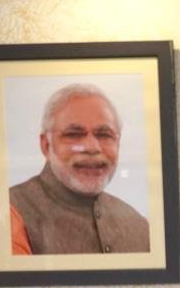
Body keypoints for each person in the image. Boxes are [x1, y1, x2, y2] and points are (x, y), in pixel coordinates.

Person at [8, 83, 150, 255]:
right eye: (73, 134)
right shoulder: (10, 212)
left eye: (104, 135)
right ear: (46, 145)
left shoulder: (139, 225)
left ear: (118, 144)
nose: (92, 147)